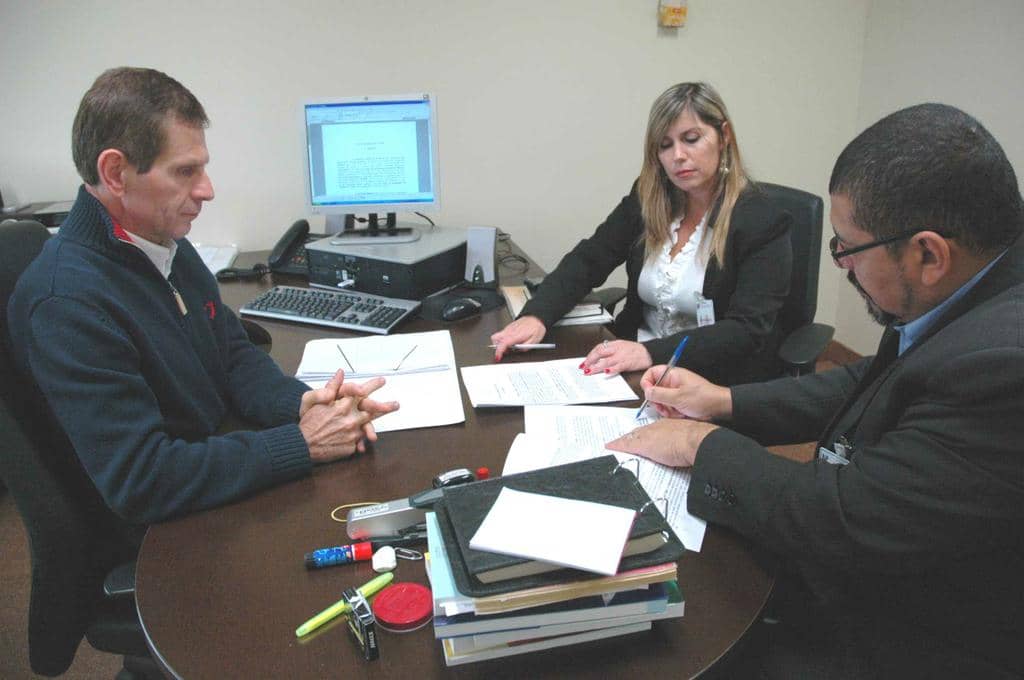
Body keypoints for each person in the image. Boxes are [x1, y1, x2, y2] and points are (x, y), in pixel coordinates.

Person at [607, 103, 1024, 678]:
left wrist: (697, 445)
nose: (844, 268)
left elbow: (844, 518)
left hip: (913, 639)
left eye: (848, 248)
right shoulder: (975, 290)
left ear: (928, 254)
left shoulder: (1004, 369)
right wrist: (721, 402)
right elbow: (872, 381)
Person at [7, 67, 399, 544]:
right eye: (184, 171)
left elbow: (231, 353)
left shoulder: (161, 241)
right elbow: (142, 480)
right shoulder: (66, 304)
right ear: (115, 173)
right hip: (167, 538)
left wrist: (300, 404)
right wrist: (301, 442)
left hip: (218, 467)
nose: (206, 190)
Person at [490, 82, 792, 385]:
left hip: (710, 378)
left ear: (724, 136)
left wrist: (649, 353)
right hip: (634, 363)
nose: (678, 156)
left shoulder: (762, 220)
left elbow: (745, 331)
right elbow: (590, 258)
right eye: (665, 145)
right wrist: (537, 314)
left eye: (691, 139)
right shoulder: (650, 197)